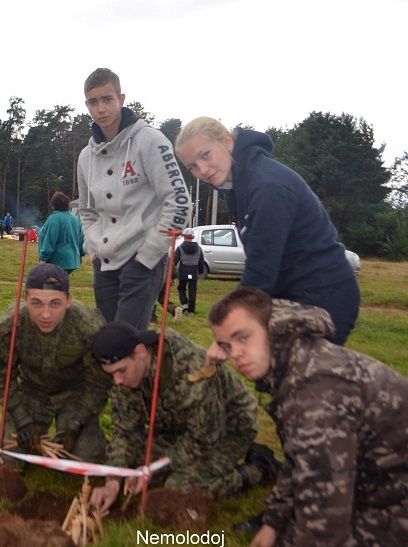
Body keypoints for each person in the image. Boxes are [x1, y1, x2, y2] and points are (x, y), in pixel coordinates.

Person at [208, 287, 408, 547]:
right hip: (376, 478)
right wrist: (273, 521)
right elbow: (301, 458)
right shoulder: (294, 362)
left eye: (243, 337)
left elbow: (326, 506)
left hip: (393, 491)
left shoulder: (315, 387)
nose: (236, 354)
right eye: (227, 346)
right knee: (289, 540)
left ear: (272, 327)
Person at [175, 117, 361, 346]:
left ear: (227, 141)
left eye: (205, 155)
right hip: (290, 293)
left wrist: (228, 332)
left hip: (323, 295)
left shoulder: (266, 186)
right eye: (192, 166)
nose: (202, 170)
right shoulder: (234, 187)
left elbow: (261, 268)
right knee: (269, 371)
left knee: (301, 378)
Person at [89, 321, 278, 514]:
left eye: (121, 370)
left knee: (178, 487)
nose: (118, 381)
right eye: (112, 374)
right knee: (135, 459)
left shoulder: (190, 370)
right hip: (178, 428)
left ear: (140, 351)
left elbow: (204, 438)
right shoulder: (124, 376)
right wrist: (113, 480)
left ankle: (259, 468)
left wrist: (152, 468)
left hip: (226, 428)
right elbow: (126, 432)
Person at [77, 68, 191, 330]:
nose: (101, 108)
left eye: (107, 99)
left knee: (128, 342)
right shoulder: (85, 157)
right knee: (107, 339)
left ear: (122, 99)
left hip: (142, 261)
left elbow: (179, 201)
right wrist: (93, 250)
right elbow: (86, 211)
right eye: (93, 102)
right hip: (103, 263)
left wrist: (148, 255)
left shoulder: (150, 141)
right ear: (87, 105)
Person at [0, 264, 111, 463]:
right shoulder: (10, 326)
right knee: (4, 460)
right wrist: (22, 419)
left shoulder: (88, 327)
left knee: (82, 461)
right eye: (36, 303)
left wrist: (77, 423)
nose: (45, 314)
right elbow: (0, 377)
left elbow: (99, 382)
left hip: (75, 395)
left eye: (55, 304)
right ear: (25, 299)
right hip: (31, 392)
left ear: (68, 301)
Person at [38, 191, 85, 274]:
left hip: (57, 262)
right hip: (72, 261)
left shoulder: (54, 219)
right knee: (62, 284)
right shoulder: (76, 219)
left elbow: (50, 241)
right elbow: (81, 239)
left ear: (53, 205)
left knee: (52, 286)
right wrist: (81, 255)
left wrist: (43, 259)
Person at [174, 228, 205, 317]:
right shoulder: (199, 248)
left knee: (181, 288)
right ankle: (191, 311)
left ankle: (184, 304)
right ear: (193, 237)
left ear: (184, 237)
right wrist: (200, 271)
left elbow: (175, 261)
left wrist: (172, 272)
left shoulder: (180, 248)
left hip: (183, 271)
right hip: (194, 271)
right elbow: (201, 261)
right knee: (192, 291)